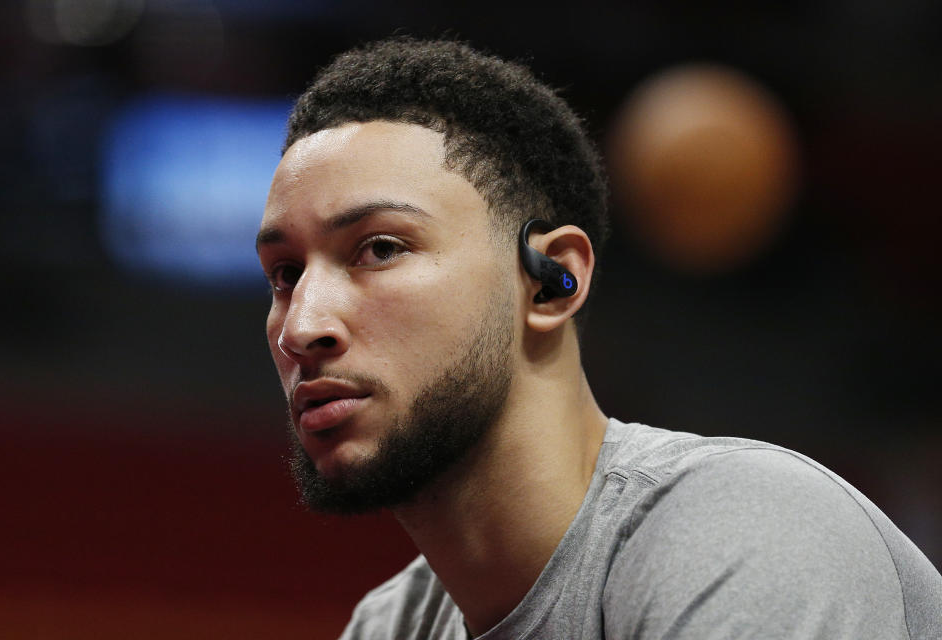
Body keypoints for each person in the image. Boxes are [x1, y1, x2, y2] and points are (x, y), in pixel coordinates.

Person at [256, 37, 942, 639]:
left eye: (379, 248)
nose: (301, 325)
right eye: (284, 273)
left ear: (551, 281)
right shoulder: (391, 626)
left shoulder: (745, 537)